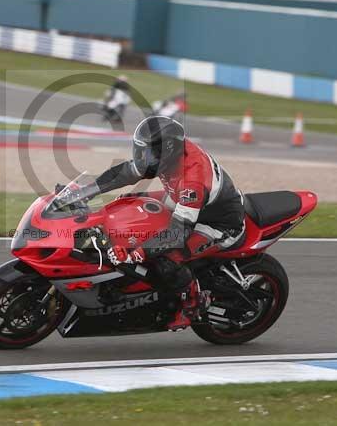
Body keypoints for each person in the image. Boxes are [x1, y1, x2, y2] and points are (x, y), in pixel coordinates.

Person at [92, 116, 245, 330]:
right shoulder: (166, 156)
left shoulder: (193, 179)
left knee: (166, 258)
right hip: (183, 201)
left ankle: (193, 303)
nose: (142, 157)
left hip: (219, 223)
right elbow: (124, 173)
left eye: (147, 153)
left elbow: (178, 233)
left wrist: (135, 254)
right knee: (129, 203)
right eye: (140, 150)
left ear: (167, 152)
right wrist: (84, 191)